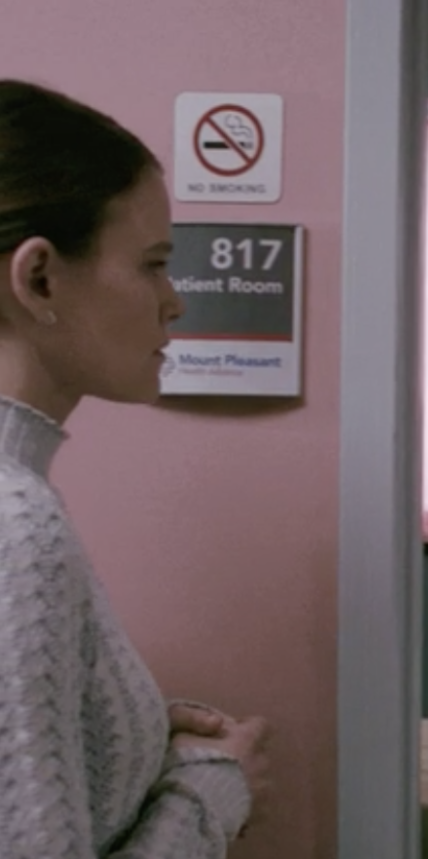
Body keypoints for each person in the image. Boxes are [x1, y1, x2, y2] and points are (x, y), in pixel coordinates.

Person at [0, 79, 271, 857]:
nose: (174, 301)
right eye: (153, 263)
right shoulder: (18, 527)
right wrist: (213, 791)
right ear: (39, 278)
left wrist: (134, 729)